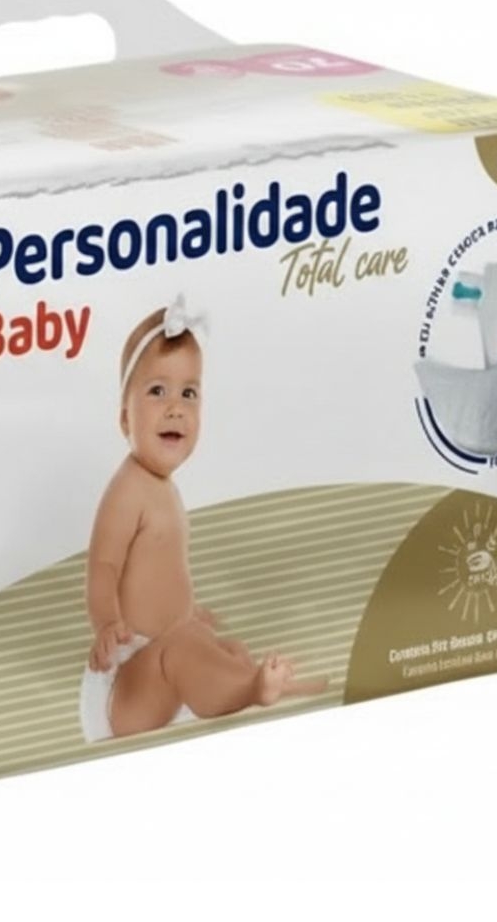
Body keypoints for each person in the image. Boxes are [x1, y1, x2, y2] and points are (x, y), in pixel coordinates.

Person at [85, 295, 327, 738]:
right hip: (123, 682)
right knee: (182, 647)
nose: (175, 407)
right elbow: (103, 566)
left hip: (160, 665)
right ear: (124, 419)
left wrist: (188, 611)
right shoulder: (127, 490)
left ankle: (261, 682)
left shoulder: (165, 489)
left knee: (225, 647)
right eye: (157, 391)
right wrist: (106, 624)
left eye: (189, 393)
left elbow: (158, 575)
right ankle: (255, 688)